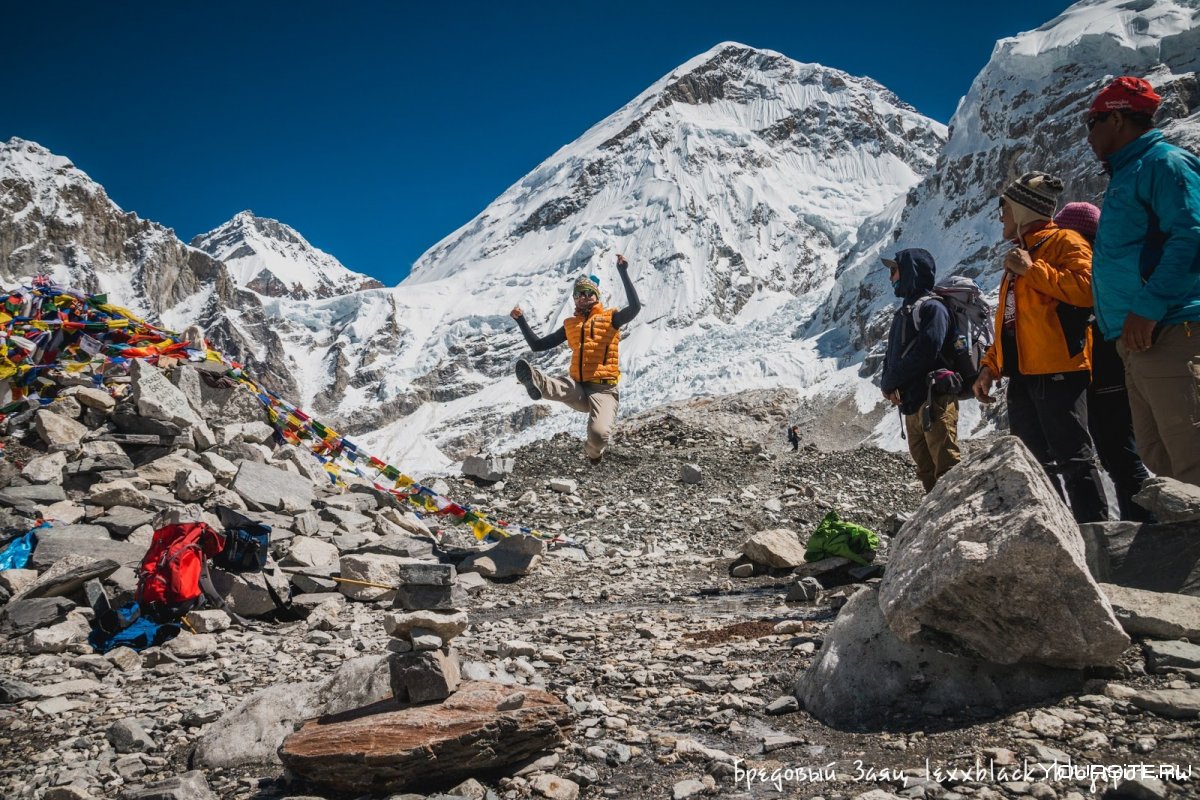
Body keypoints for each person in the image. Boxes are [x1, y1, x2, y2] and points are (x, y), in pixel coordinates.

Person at [972, 172, 1108, 523]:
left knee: (1075, 460)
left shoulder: (1066, 241)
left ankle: (1097, 538)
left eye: (1003, 208)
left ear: (1020, 208)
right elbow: (1011, 322)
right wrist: (990, 366)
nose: (1000, 216)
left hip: (1060, 370)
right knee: (1036, 463)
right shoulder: (1020, 254)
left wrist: (1033, 271)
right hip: (1024, 375)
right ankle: (1057, 532)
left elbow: (1087, 291)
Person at [1086, 76, 1200, 488]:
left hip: (1172, 328)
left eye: (1092, 121)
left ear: (1116, 118)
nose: (1088, 133)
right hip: (1136, 337)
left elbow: (1191, 237)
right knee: (1159, 454)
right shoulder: (1127, 173)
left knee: (1191, 453)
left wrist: (1148, 308)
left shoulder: (1163, 163)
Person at [1054, 201, 1151, 520]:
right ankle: (1141, 525)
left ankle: (1148, 530)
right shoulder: (1109, 265)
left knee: (1120, 455)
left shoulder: (1092, 271)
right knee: (1119, 455)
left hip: (1105, 373)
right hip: (1115, 371)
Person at [510, 254, 641, 463]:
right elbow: (538, 345)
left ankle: (593, 452)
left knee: (599, 436)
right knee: (561, 385)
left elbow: (635, 308)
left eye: (589, 293)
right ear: (575, 298)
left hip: (604, 391)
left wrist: (623, 272)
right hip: (578, 387)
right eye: (580, 293)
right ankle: (534, 380)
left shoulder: (611, 318)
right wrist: (521, 320)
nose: (585, 296)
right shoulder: (570, 325)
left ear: (596, 296)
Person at [879, 248, 960, 493]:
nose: (891, 277)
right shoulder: (905, 312)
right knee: (926, 473)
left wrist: (891, 380)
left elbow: (928, 351)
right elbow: (892, 355)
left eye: (894, 270)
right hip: (913, 405)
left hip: (933, 401)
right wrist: (888, 384)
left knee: (947, 469)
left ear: (909, 272)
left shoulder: (932, 308)